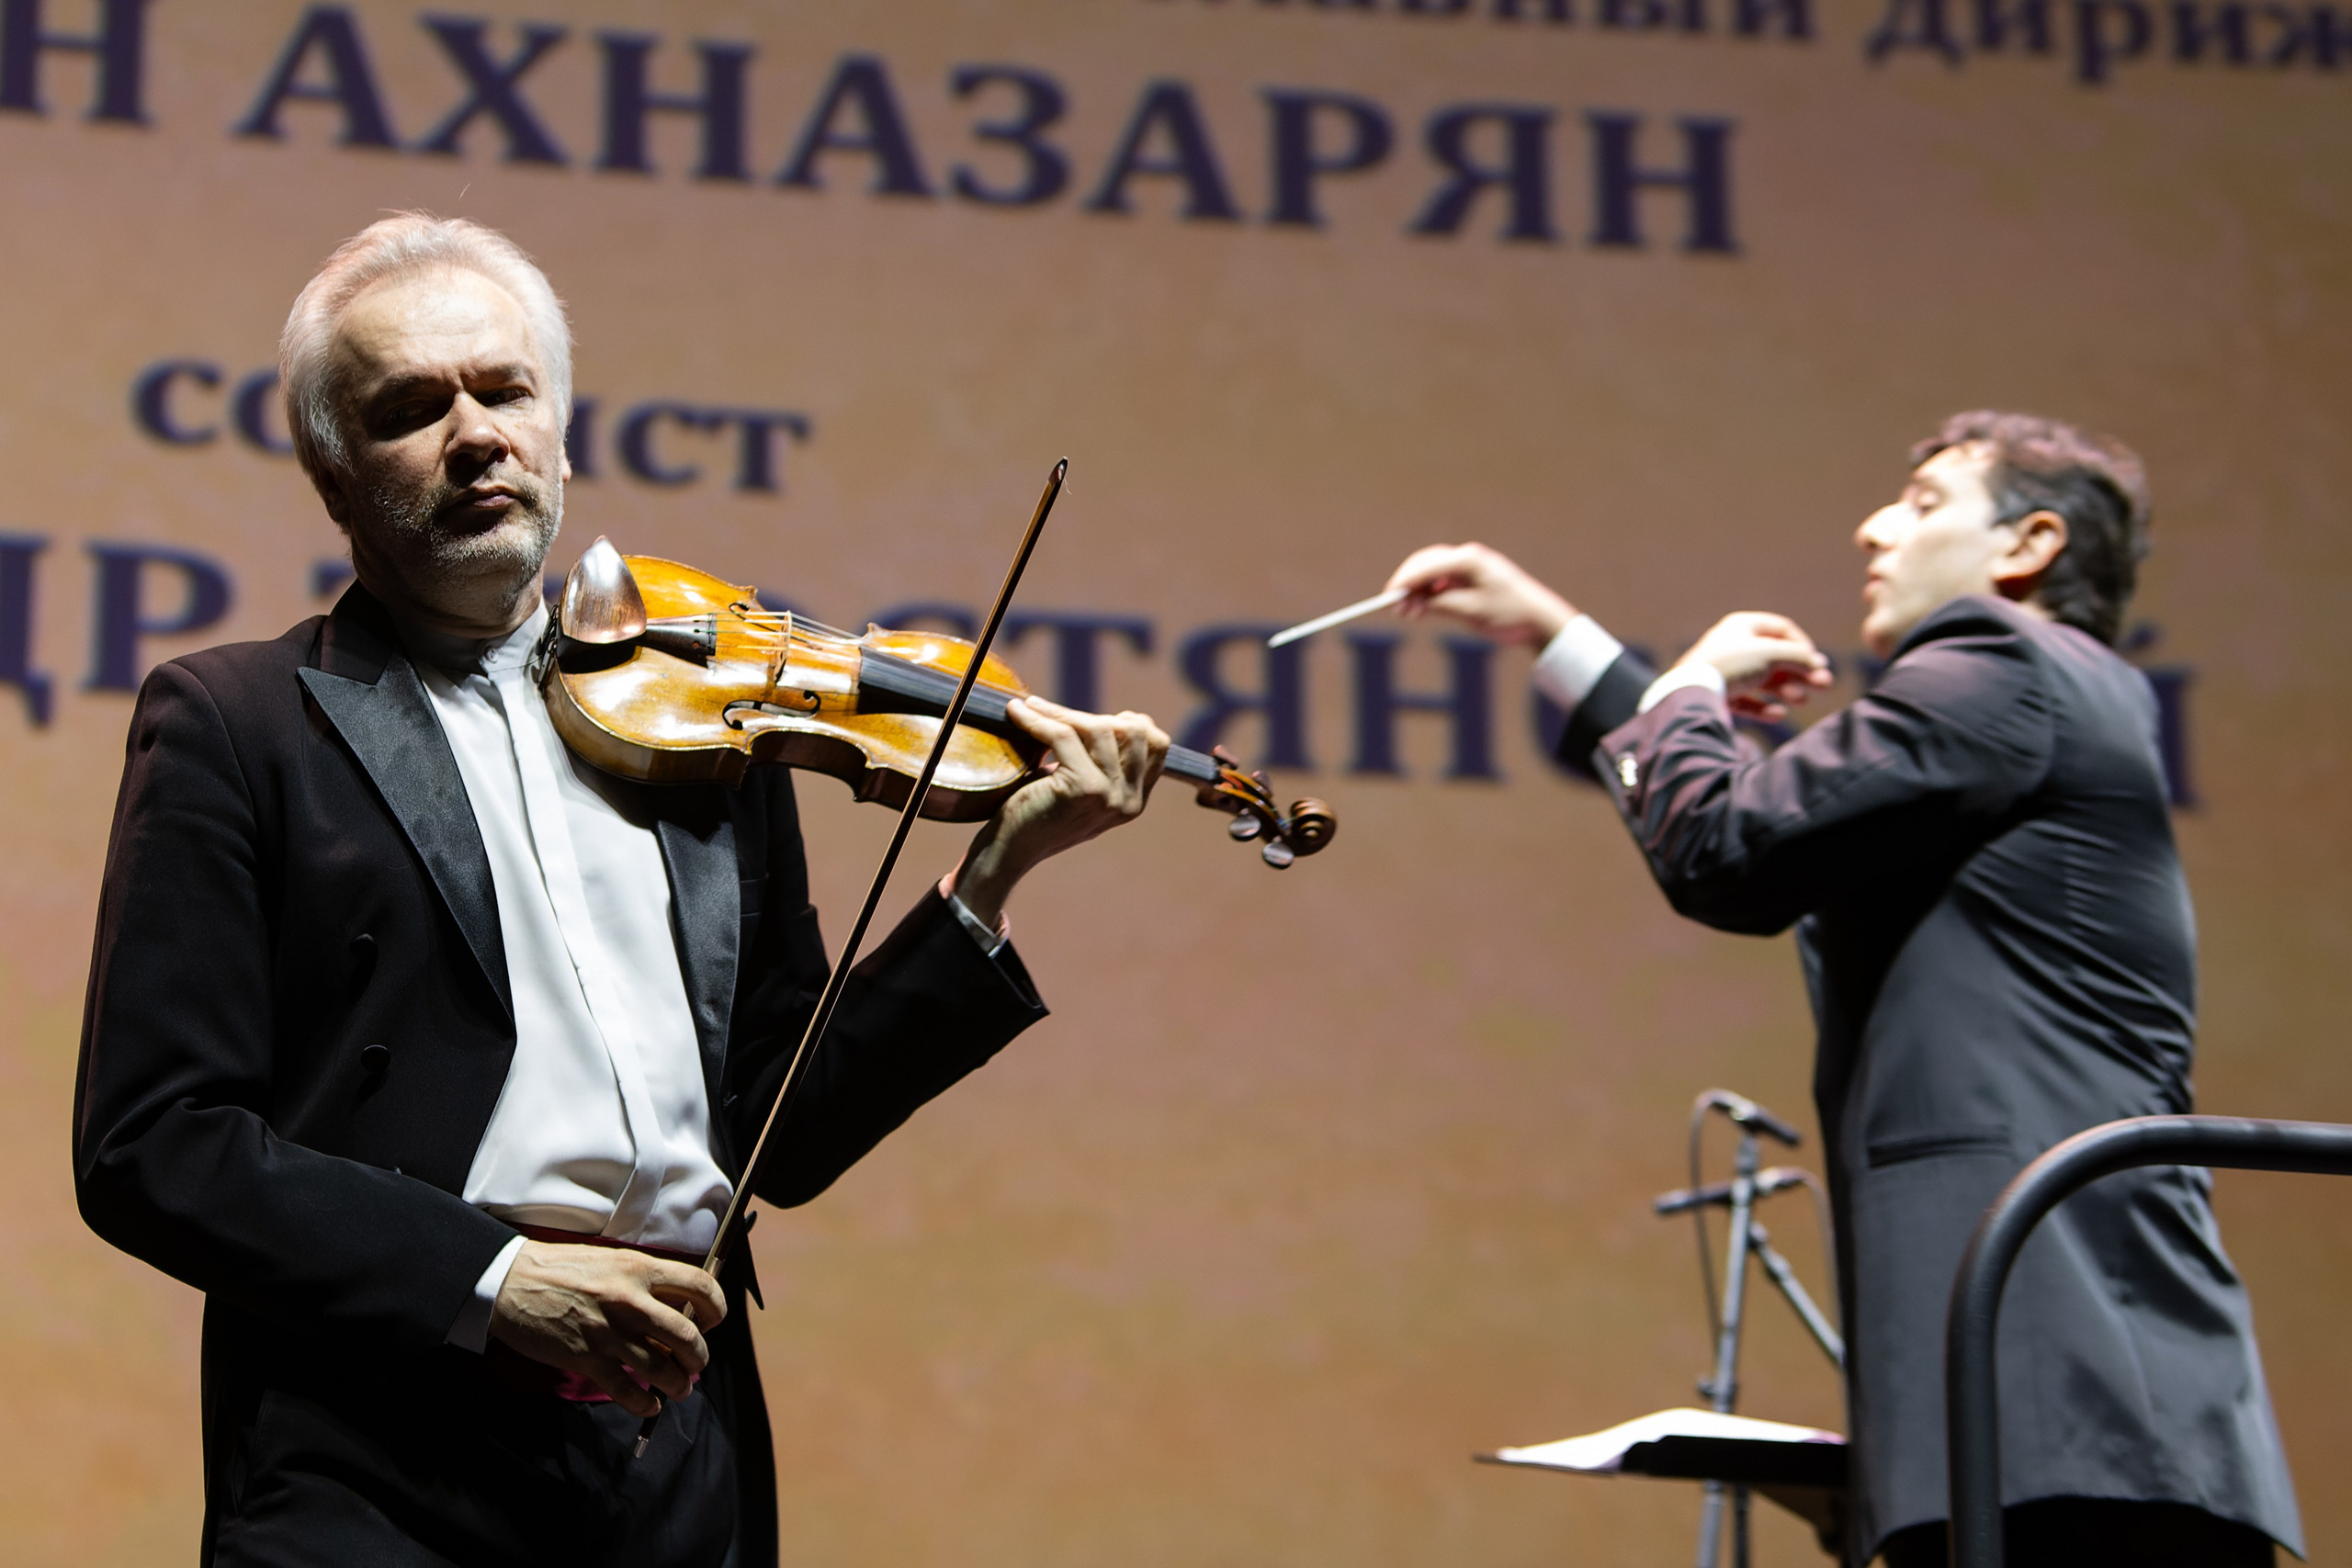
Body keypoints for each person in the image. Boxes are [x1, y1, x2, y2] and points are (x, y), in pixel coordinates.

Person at [74, 214, 1170, 1568]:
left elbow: (785, 1125)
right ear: (335, 477)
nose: (475, 433)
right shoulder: (235, 722)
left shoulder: (714, 725)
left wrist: (993, 875)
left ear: (563, 430)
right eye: (412, 408)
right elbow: (154, 1143)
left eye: (506, 388)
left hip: (674, 1450)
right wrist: (492, 1279)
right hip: (377, 1450)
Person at [1385, 413, 2299, 1567]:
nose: (1872, 528)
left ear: (2026, 547)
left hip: (2065, 1394)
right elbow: (1770, 809)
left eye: (1922, 504)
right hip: (2062, 1406)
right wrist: (1554, 633)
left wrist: (1692, 688)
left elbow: (1728, 850)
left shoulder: (2003, 661)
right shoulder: (2039, 700)